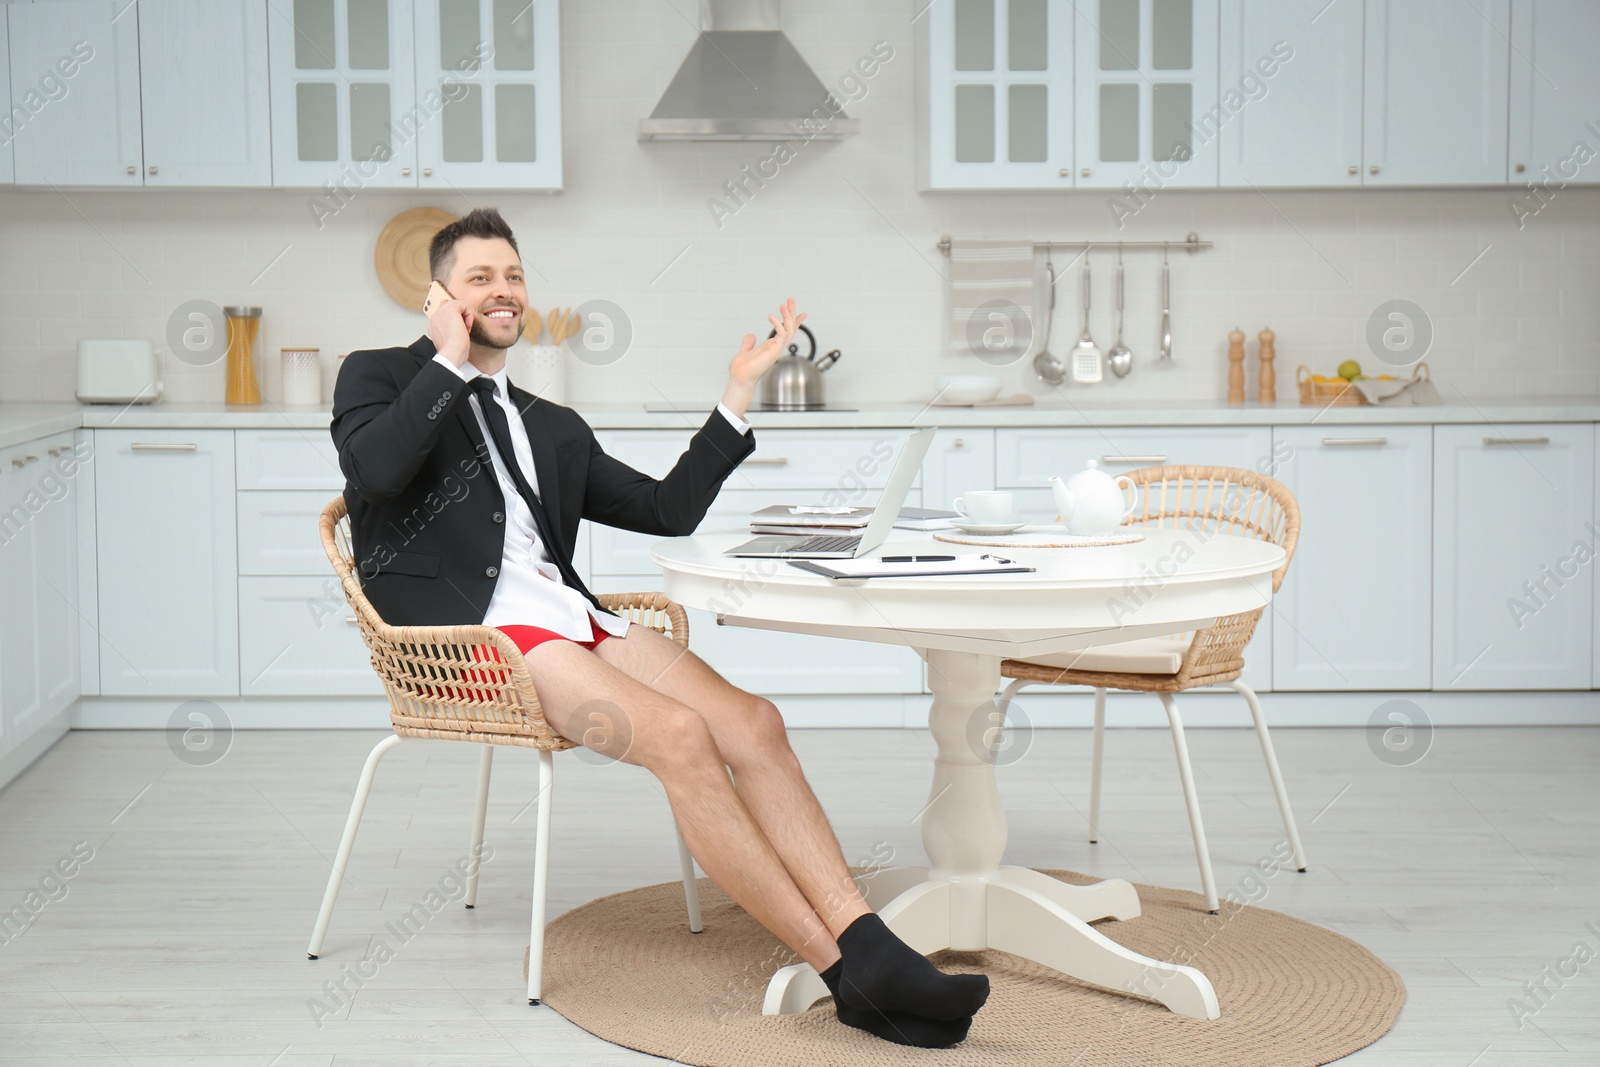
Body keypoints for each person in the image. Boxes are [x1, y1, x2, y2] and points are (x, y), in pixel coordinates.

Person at [329, 208, 988, 1047]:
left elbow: (666, 509)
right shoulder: (380, 376)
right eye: (480, 278)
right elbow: (375, 473)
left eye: (515, 275)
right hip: (472, 639)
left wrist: (737, 394)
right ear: (440, 297)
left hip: (568, 621)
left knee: (755, 721)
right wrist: (448, 363)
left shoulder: (547, 421)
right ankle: (843, 972)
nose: (504, 291)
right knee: (679, 736)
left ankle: (870, 944)